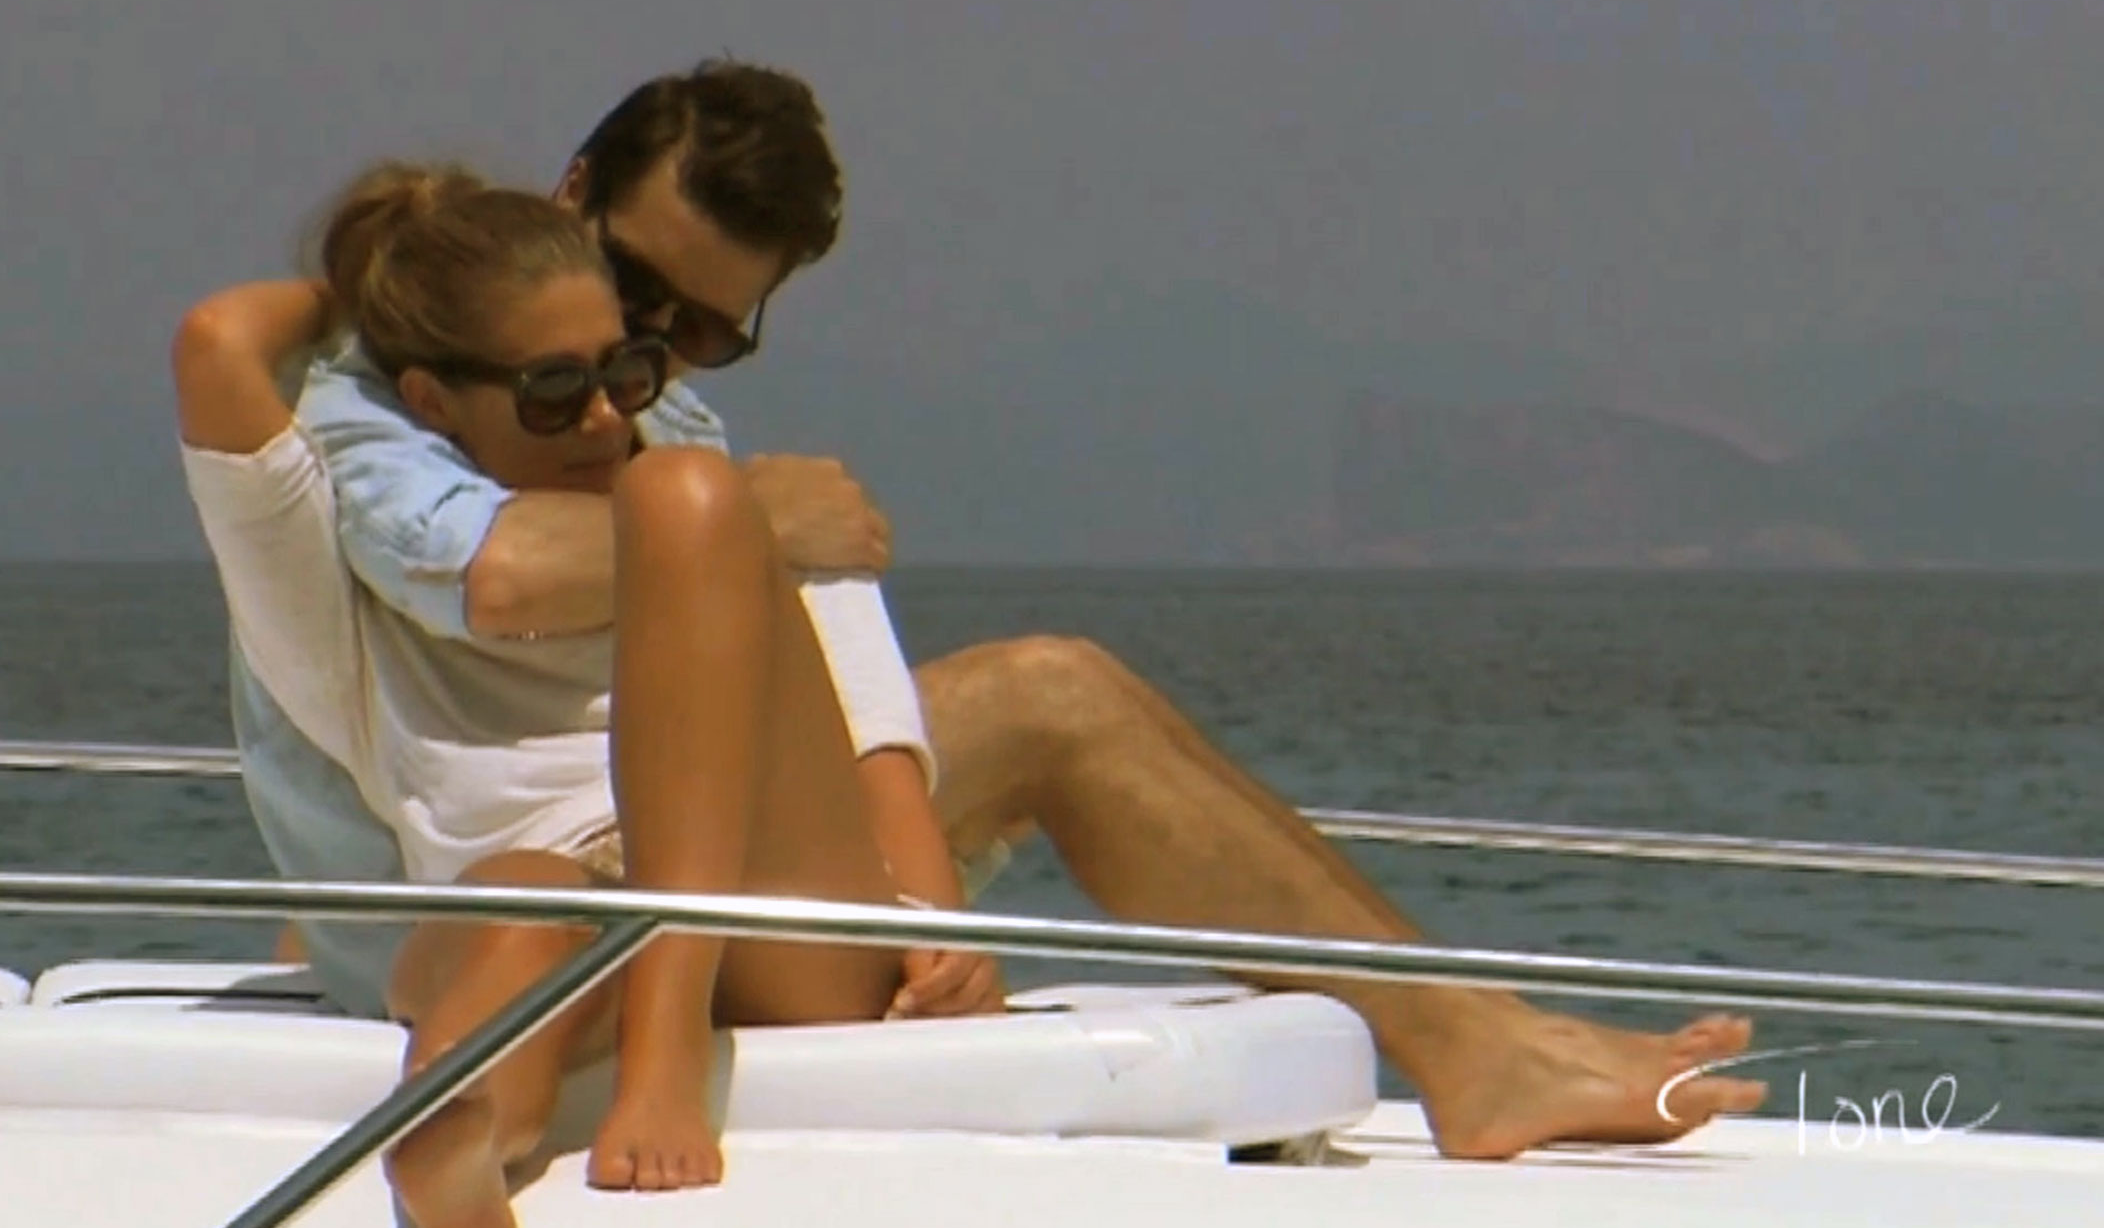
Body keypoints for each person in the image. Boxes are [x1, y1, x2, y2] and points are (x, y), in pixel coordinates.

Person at [250, 61, 1768, 1163]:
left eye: (705, 329)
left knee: (1058, 688)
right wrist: (751, 522)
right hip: (485, 889)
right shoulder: (382, 393)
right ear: (572, 196)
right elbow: (497, 576)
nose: (651, 348)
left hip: (681, 824)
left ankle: (1470, 1040)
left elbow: (835, 663)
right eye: (643, 286)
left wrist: (926, 917)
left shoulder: (663, 417)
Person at [175, 164, 996, 1228]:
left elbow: (861, 714)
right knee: (525, 911)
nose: (606, 417)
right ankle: (459, 1130)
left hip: (763, 916)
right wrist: (377, 283)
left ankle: (658, 1049)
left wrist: (936, 928)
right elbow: (217, 342)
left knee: (686, 497)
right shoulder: (355, 545)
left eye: (624, 371)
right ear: (431, 401)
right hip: (553, 899)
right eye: (552, 391)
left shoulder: (702, 480)